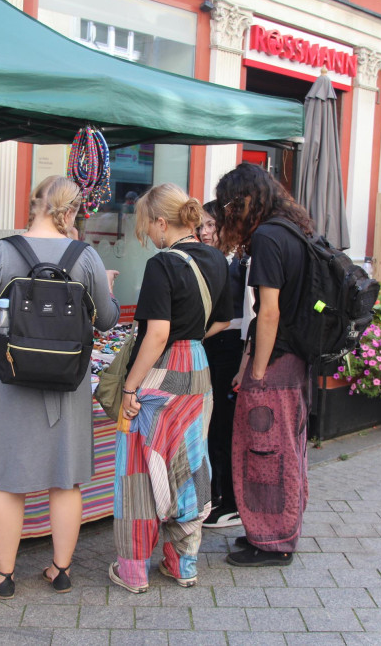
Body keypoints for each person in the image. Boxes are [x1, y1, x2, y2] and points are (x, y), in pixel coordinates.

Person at [0, 176, 120, 599]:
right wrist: (109, 288)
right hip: (68, 381)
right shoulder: (86, 258)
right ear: (69, 213)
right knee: (65, 480)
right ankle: (61, 570)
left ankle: (4, 575)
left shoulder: (0, 252)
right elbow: (106, 320)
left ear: (34, 205)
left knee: (9, 483)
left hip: (12, 379)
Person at [109, 183, 232, 593]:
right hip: (198, 366)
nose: (149, 234)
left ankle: (134, 571)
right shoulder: (216, 258)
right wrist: (191, 335)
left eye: (149, 225)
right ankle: (183, 564)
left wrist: (129, 386)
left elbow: (157, 334)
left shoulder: (163, 263)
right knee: (190, 463)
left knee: (140, 469)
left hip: (162, 370)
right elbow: (224, 322)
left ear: (163, 222)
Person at [215, 162, 312, 567]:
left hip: (276, 362)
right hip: (293, 359)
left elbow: (267, 313)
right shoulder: (292, 229)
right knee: (283, 450)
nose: (225, 215)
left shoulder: (269, 238)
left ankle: (273, 541)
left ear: (244, 201)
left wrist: (256, 370)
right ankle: (267, 530)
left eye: (227, 206)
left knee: (267, 452)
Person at [198, 200, 245, 529]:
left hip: (229, 349)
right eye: (201, 224)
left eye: (212, 225)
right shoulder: (220, 260)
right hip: (217, 346)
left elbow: (239, 316)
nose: (204, 231)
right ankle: (218, 496)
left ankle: (228, 501)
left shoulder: (238, 262)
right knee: (213, 428)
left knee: (222, 428)